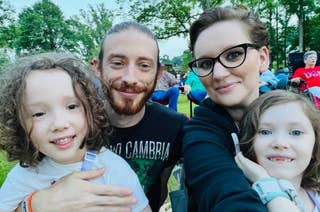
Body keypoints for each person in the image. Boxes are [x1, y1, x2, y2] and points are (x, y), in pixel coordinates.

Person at [28, 22, 187, 212]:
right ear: (98, 67)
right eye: (118, 63)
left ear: (158, 73)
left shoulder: (175, 127)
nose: (130, 78)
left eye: (144, 65)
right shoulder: (67, 127)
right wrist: (32, 205)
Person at [0, 52, 150, 212]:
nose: (59, 124)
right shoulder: (23, 177)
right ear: (19, 125)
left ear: (91, 111)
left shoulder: (114, 169)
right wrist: (32, 206)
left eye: (71, 106)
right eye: (38, 114)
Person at [183, 6, 272, 211]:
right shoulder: (200, 136)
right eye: (206, 63)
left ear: (262, 58)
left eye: (233, 55)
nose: (219, 74)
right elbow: (225, 194)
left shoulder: (297, 116)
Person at [236, 90, 320, 212]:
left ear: (315, 143)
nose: (280, 143)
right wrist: (265, 184)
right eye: (265, 132)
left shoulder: (315, 195)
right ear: (248, 141)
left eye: (296, 132)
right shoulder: (242, 201)